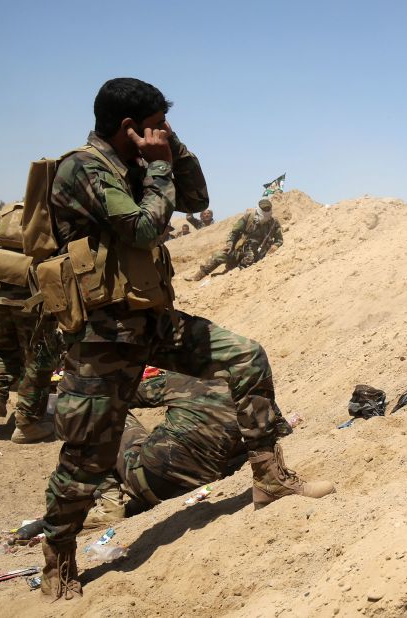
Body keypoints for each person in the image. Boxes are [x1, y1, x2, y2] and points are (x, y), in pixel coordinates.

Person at [37, 77, 321, 601]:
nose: (163, 133)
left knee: (246, 358)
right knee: (88, 456)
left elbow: (197, 198)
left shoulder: (139, 164)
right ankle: (59, 557)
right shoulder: (82, 169)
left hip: (154, 322)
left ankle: (270, 477)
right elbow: (144, 229)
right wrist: (160, 164)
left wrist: (174, 150)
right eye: (156, 124)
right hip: (104, 337)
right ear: (129, 127)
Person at [81, 369, 334, 529]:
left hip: (148, 479)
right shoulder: (244, 375)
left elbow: (118, 397)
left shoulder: (176, 378)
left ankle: (109, 503)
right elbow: (276, 427)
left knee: (97, 409)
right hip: (205, 477)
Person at [0, 202, 58, 443]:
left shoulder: (6, 217)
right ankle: (27, 424)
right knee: (39, 358)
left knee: (1, 348)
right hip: (30, 301)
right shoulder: (49, 217)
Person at [183, 198, 281, 281]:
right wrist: (230, 244)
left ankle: (231, 274)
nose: (266, 211)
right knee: (218, 256)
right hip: (239, 250)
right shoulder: (248, 218)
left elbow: (279, 239)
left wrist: (275, 246)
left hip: (257, 254)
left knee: (247, 262)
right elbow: (234, 232)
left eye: (268, 209)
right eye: (264, 209)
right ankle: (198, 276)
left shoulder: (273, 223)